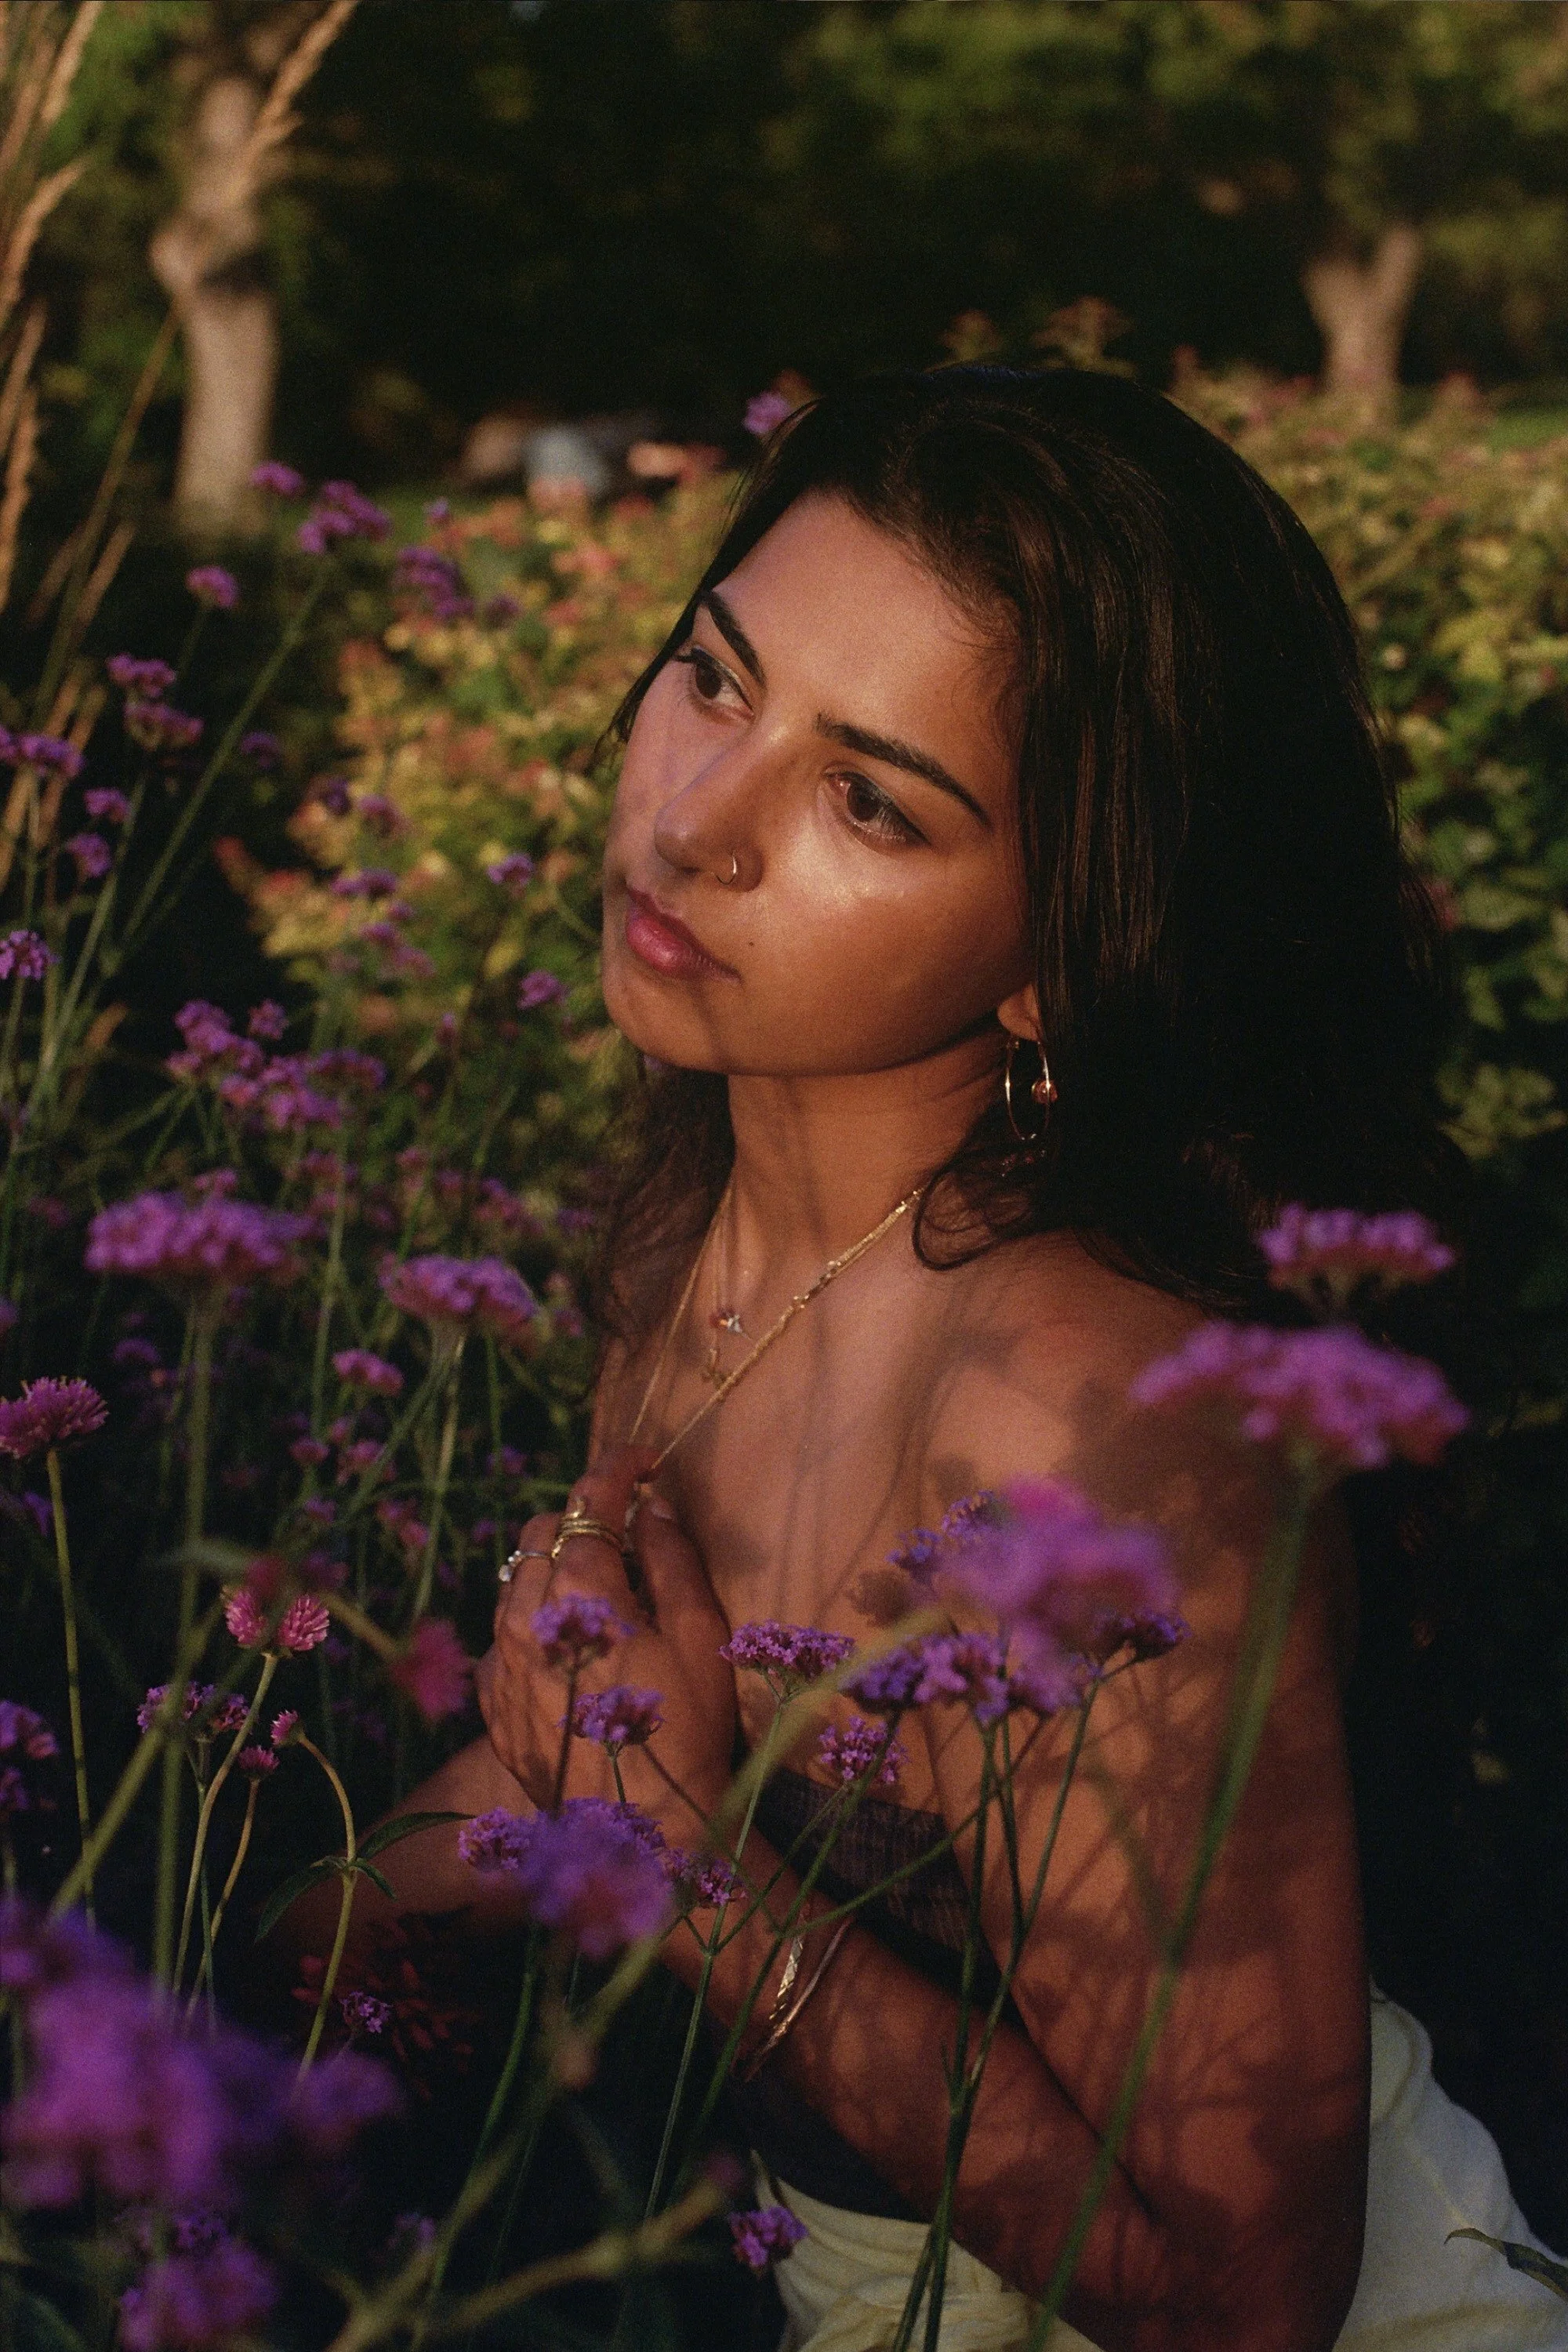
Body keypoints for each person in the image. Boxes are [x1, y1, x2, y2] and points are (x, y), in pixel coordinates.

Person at [298, 368, 1568, 2351]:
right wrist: (206, 1976)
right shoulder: (700, 1223)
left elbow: (1250, 2300)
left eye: (870, 800)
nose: (698, 825)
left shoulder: (1084, 1434)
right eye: (715, 680)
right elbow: (609, 1739)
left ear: (1064, 938)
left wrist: (679, 1873)